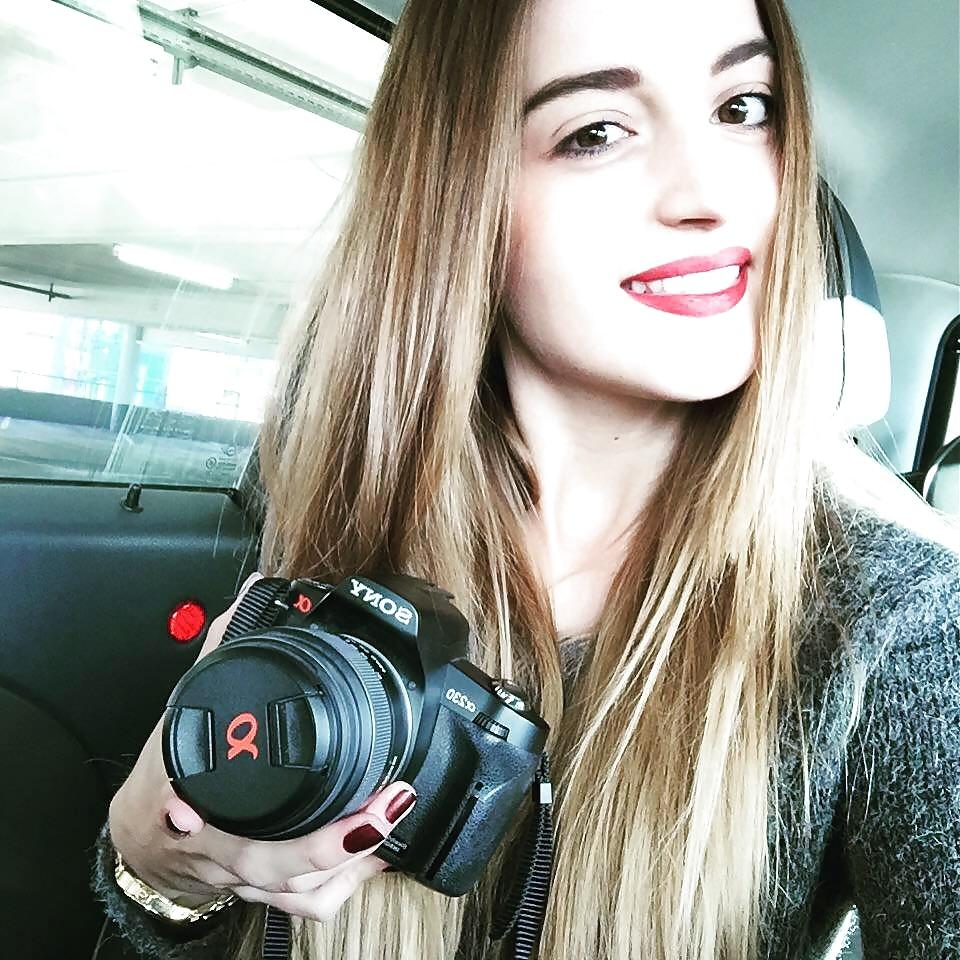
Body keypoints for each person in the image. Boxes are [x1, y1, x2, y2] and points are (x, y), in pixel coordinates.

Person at [93, 0, 960, 957]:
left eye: (742, 108)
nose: (708, 193)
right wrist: (157, 866)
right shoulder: (323, 521)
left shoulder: (900, 621)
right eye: (597, 132)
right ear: (458, 196)